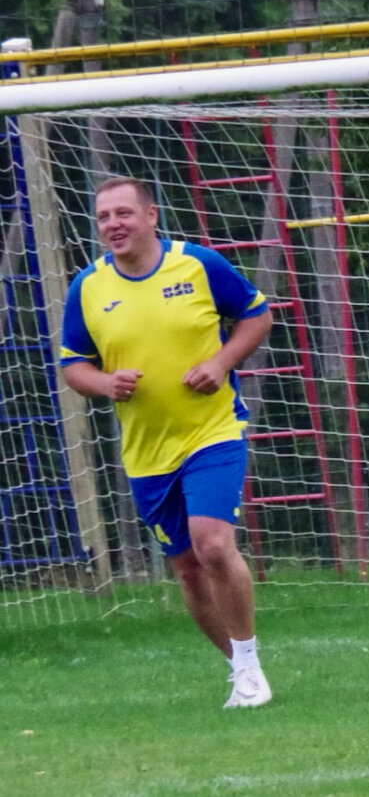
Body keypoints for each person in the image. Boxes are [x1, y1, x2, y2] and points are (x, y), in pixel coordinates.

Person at [60, 177, 274, 708]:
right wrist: (105, 383)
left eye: (124, 213)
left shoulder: (198, 265)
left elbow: (256, 315)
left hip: (213, 431)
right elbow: (73, 365)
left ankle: (250, 666)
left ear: (151, 215)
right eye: (104, 216)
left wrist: (220, 363)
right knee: (188, 569)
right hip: (147, 451)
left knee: (212, 544)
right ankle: (238, 669)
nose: (114, 224)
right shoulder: (88, 286)